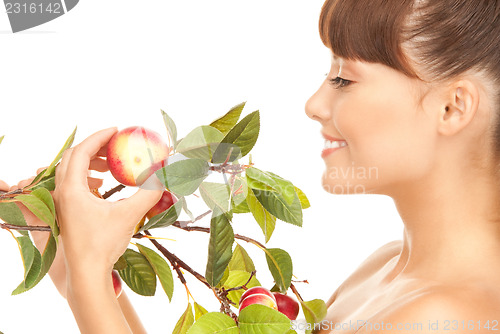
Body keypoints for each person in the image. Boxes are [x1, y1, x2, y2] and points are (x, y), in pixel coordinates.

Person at [305, 0, 500, 333]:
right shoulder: (380, 268)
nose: (314, 106)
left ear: (452, 108)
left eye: (344, 80)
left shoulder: (442, 319)